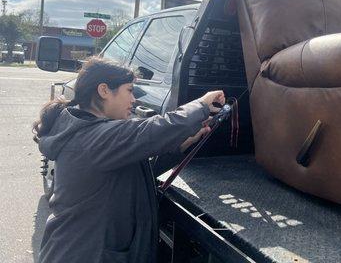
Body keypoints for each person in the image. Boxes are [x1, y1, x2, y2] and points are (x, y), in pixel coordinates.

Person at [33, 57, 225, 263]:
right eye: (129, 90)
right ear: (104, 90)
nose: (134, 100)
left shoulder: (88, 133)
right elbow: (153, 130)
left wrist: (181, 146)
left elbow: (130, 173)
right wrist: (202, 105)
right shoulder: (94, 138)